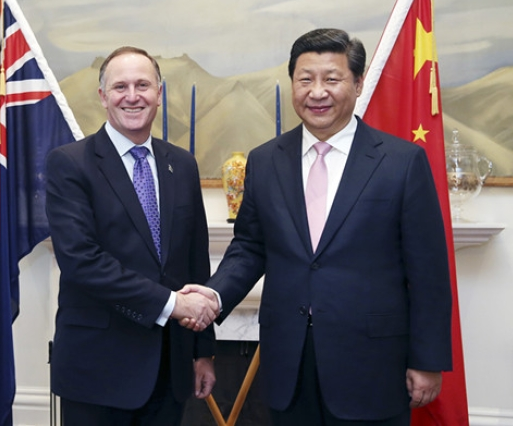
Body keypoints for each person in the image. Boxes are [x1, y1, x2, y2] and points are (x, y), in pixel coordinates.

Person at [181, 28, 453, 426]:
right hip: (288, 363)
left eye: (332, 79)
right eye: (305, 79)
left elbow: (429, 272)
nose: (317, 92)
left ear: (357, 84)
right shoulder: (265, 161)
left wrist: (427, 360)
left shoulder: (401, 162)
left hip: (372, 365)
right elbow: (250, 247)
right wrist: (213, 297)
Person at [46, 46, 219, 425]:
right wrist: (172, 304)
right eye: (120, 86)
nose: (132, 96)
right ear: (103, 96)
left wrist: (202, 352)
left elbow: (196, 261)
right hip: (97, 370)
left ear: (159, 93)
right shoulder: (70, 164)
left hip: (170, 369)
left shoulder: (182, 164)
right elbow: (81, 262)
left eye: (143, 85)